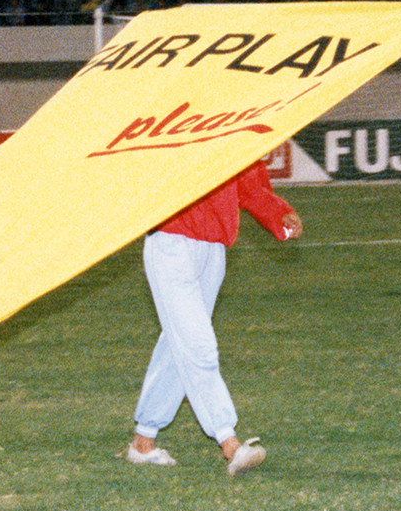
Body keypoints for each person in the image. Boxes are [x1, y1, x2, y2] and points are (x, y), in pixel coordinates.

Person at [124, 162, 300, 474]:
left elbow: (247, 181)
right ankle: (229, 443)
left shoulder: (231, 124)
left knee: (178, 343)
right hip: (170, 240)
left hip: (214, 246)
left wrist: (277, 213)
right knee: (197, 345)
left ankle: (143, 441)